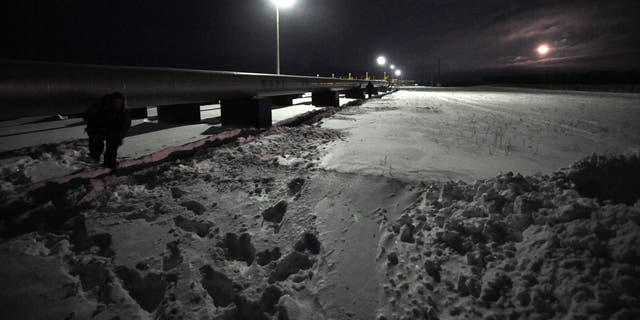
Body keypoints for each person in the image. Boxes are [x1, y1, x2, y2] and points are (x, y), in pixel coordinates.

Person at [84, 92, 131, 169]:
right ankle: (94, 159)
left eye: (119, 102)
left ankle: (109, 165)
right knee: (96, 144)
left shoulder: (124, 112)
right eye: (115, 102)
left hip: (114, 131)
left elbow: (125, 126)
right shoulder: (102, 108)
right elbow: (92, 120)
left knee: (112, 147)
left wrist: (118, 136)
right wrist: (97, 131)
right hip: (99, 129)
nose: (117, 104)